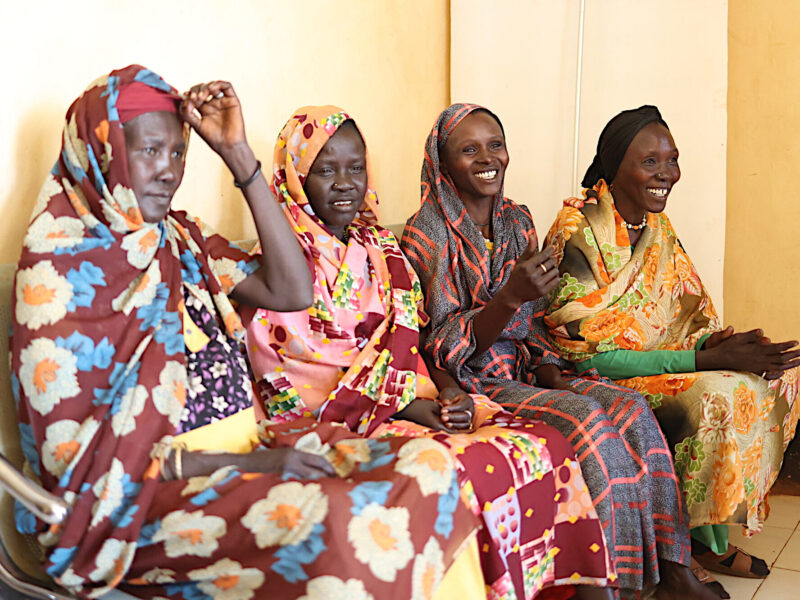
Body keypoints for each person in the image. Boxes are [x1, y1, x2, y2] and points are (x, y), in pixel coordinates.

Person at [11, 65, 481, 600]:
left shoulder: (179, 237)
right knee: (343, 522)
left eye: (178, 152)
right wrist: (247, 464)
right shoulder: (57, 273)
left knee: (430, 468)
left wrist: (238, 156)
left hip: (248, 447)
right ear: (100, 152)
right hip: (140, 500)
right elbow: (74, 461)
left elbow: (292, 290)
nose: (168, 170)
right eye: (149, 151)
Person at [245, 105, 617, 600]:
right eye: (325, 170)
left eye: (355, 168)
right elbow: (296, 370)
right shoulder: (278, 264)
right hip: (340, 420)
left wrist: (446, 392)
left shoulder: (380, 247)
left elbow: (412, 341)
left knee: (544, 444)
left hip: (417, 397)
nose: (345, 183)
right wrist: (411, 406)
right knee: (479, 464)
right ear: (294, 177)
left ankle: (588, 589)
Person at [401, 103, 721, 600]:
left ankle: (674, 568)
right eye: (469, 150)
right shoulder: (427, 233)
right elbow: (440, 347)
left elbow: (535, 318)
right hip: (477, 381)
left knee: (633, 411)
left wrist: (548, 365)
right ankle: (615, 584)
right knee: (589, 423)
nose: (487, 159)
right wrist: (508, 298)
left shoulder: (517, 220)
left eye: (495, 145)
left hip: (528, 368)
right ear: (442, 162)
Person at [544, 105, 800, 582]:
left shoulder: (656, 227)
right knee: (716, 396)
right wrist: (706, 359)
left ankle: (710, 532)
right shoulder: (578, 230)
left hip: (664, 364)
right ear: (615, 165)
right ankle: (693, 547)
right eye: (650, 162)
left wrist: (723, 343)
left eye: (672, 160)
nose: (667, 174)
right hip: (598, 374)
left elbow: (684, 314)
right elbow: (584, 351)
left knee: (776, 377)